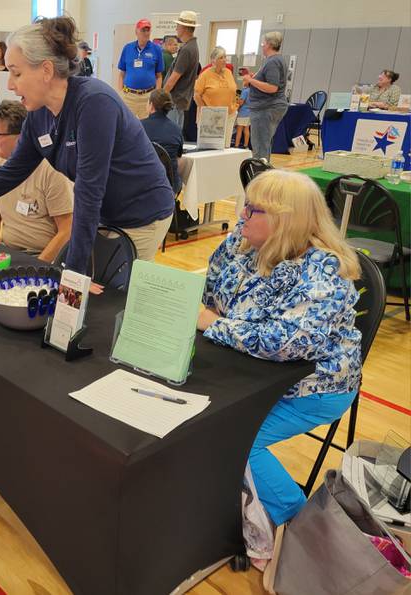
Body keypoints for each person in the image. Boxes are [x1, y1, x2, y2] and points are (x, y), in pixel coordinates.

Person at [0, 16, 174, 275]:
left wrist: (74, 274)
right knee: (89, 288)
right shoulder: (38, 115)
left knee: (114, 296)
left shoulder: (94, 103)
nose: (10, 85)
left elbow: (89, 191)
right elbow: (11, 171)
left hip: (142, 214)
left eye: (16, 73)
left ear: (46, 70)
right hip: (104, 212)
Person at [197, 169, 362, 527]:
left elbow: (284, 342)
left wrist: (216, 324)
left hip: (312, 387)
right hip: (246, 369)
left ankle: (299, 525)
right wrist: (218, 320)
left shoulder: (323, 271)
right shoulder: (240, 245)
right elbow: (208, 296)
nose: (242, 215)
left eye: (253, 210)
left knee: (235, 438)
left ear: (285, 220)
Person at [0, 100, 74, 262]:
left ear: (21, 137)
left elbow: (67, 230)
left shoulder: (51, 171)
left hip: (46, 258)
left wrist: (37, 267)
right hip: (9, 254)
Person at [243, 32, 288, 162]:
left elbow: (272, 87)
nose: (262, 46)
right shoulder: (276, 60)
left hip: (265, 107)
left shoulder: (272, 62)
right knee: (263, 143)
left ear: (268, 44)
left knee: (260, 146)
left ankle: (260, 175)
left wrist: (251, 81)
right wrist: (256, 78)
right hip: (269, 106)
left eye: (263, 43)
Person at [116, 19, 164, 119]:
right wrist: (120, 93)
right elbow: (121, 74)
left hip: (147, 97)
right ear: (136, 32)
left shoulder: (156, 49)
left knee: (146, 128)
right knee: (127, 126)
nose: (146, 33)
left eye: (148, 30)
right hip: (129, 96)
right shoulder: (127, 48)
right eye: (143, 30)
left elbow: (159, 76)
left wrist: (156, 95)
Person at [163, 10, 201, 129]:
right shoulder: (192, 46)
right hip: (180, 100)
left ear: (184, 28)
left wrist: (162, 96)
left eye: (178, 25)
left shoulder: (186, 50)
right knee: (176, 132)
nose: (176, 29)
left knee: (170, 133)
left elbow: (174, 77)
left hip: (175, 99)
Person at [194, 46, 238, 147]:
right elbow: (196, 95)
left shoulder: (228, 72)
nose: (224, 60)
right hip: (212, 116)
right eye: (221, 58)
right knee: (211, 147)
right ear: (213, 60)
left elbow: (233, 90)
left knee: (226, 146)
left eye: (225, 57)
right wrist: (206, 110)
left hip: (229, 114)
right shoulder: (205, 75)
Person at [141, 89, 183, 195]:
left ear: (151, 105)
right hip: (169, 186)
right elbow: (178, 159)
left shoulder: (139, 127)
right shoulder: (176, 129)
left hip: (143, 185)